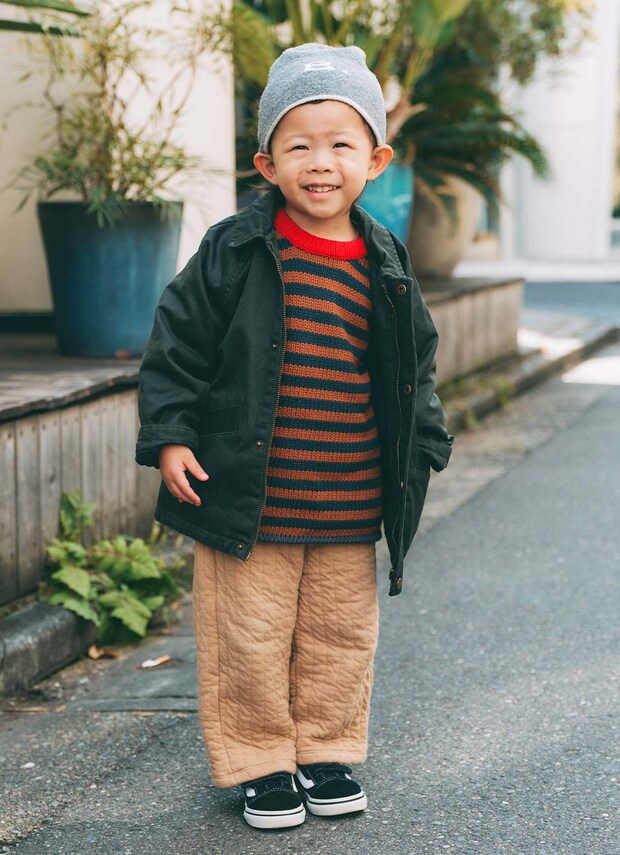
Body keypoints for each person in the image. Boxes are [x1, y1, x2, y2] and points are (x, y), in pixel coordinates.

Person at [135, 42, 453, 831]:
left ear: (374, 160)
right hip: (250, 497)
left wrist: (425, 440)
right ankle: (260, 761)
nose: (320, 162)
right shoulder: (234, 250)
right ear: (266, 163)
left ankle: (326, 749)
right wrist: (171, 434)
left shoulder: (385, 262)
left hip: (349, 497)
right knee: (247, 636)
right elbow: (177, 343)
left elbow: (414, 363)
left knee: (339, 636)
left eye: (341, 143)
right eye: (298, 145)